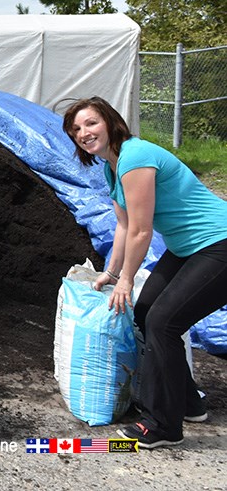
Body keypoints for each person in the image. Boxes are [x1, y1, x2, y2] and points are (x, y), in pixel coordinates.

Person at [62, 97, 227, 449]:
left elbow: (141, 231)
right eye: (76, 129)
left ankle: (162, 426)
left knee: (163, 322)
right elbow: (122, 226)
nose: (84, 133)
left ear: (109, 121)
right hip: (188, 248)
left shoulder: (136, 156)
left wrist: (126, 280)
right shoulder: (113, 165)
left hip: (218, 244)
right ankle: (186, 402)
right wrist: (111, 271)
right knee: (147, 310)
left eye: (91, 123)